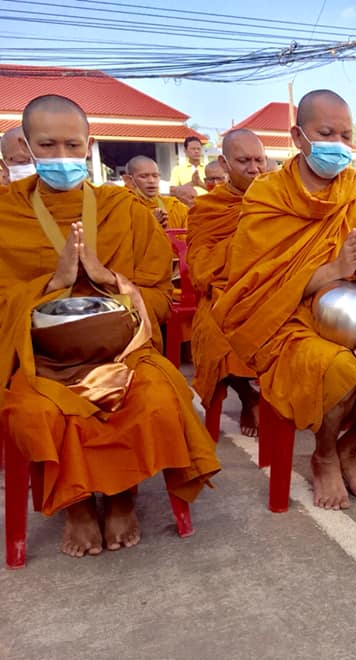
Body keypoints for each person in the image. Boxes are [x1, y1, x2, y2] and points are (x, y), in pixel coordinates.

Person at [0, 94, 219, 557]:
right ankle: (76, 505)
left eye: (72, 145)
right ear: (29, 147)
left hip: (124, 351)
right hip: (41, 359)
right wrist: (51, 283)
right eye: (48, 145)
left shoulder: (125, 211)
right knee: (33, 412)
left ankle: (122, 497)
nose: (62, 157)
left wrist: (111, 280)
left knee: (158, 394)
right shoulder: (6, 216)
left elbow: (161, 297)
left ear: (89, 145)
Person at [212, 90, 356, 510]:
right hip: (291, 324)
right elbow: (249, 288)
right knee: (336, 367)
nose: (338, 143)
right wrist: (331, 272)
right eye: (326, 132)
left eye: (346, 135)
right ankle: (322, 455)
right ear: (299, 137)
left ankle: (347, 450)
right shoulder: (267, 197)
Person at [187, 129, 266, 437]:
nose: (254, 168)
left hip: (277, 291)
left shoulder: (282, 199)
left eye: (259, 160)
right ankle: (248, 395)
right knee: (214, 332)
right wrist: (246, 238)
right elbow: (202, 268)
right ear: (223, 162)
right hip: (224, 293)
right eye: (243, 160)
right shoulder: (208, 208)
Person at [123, 155, 190, 230]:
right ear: (129, 180)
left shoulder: (175, 207)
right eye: (143, 176)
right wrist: (151, 222)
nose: (151, 181)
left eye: (155, 176)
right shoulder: (123, 207)